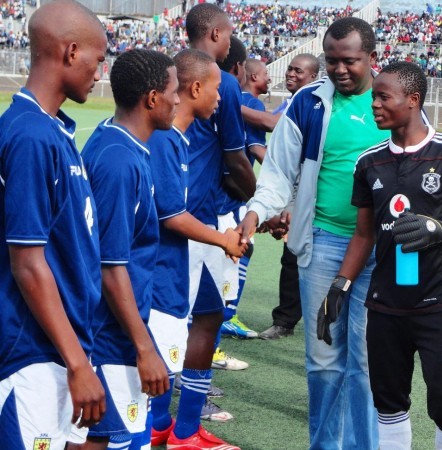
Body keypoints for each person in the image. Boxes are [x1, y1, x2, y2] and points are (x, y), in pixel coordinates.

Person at [319, 61, 442, 450]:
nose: (375, 105)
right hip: (385, 306)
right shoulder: (368, 163)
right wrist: (340, 285)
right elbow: (364, 234)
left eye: (383, 97)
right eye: (373, 97)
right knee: (389, 404)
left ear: (413, 100)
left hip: (439, 304)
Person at [237, 17, 390, 449]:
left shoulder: (393, 100)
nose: (339, 70)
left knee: (365, 362)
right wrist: (257, 212)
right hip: (323, 244)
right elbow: (279, 173)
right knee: (324, 361)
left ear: (372, 59)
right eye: (332, 60)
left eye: (350, 61)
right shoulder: (309, 103)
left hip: (382, 251)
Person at [0, 1, 106, 448]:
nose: (100, 73)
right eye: (98, 60)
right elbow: (28, 263)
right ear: (70, 52)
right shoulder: (29, 135)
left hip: (64, 344)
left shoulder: (54, 129)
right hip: (33, 350)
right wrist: (76, 363)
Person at [74, 49, 176, 449]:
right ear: (152, 99)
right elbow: (110, 266)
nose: (179, 100)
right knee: (105, 441)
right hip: (108, 335)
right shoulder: (120, 162)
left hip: (114, 330)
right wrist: (144, 347)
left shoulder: (115, 140)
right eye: (174, 91)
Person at [147, 48, 245, 448]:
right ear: (196, 87)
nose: (221, 98)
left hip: (188, 248)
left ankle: (181, 429)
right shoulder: (163, 139)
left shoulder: (180, 137)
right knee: (159, 339)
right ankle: (158, 424)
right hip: (165, 259)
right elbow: (170, 215)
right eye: (217, 90)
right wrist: (224, 238)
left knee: (208, 315)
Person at [167, 4, 255, 448]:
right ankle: (176, 426)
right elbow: (235, 158)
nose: (219, 97)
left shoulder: (171, 73)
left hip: (194, 221)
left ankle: (175, 425)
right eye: (229, 34)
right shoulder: (222, 83)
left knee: (196, 317)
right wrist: (260, 206)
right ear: (218, 33)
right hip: (197, 223)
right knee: (191, 320)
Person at [259, 53, 320, 341]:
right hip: (296, 191)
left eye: (299, 71)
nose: (291, 74)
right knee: (292, 256)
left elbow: (271, 124)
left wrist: (234, 107)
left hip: (324, 193)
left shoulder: (315, 103)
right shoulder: (293, 102)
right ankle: (285, 320)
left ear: (314, 77)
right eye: (290, 69)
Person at [218, 37, 261, 340]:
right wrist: (265, 205)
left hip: (213, 202)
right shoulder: (236, 92)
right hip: (225, 202)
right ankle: (227, 316)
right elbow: (243, 158)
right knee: (237, 250)